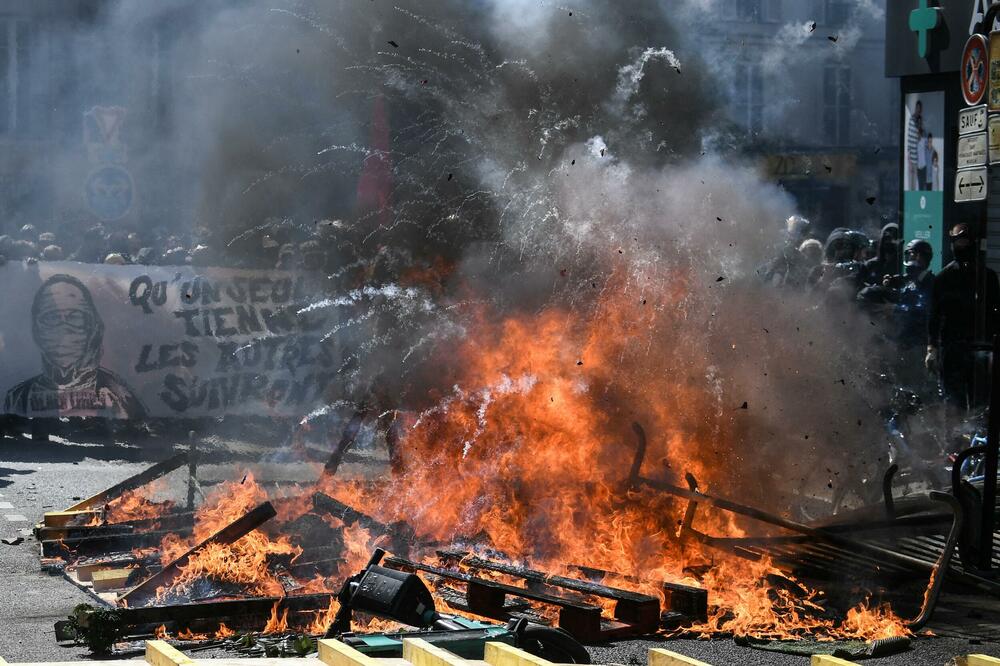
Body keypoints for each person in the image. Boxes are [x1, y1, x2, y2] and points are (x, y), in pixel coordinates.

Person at [3, 274, 146, 418]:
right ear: (37, 329)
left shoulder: (117, 393)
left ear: (92, 326)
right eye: (52, 317)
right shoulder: (18, 398)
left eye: (75, 316)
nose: (64, 328)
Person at [927, 223, 1000, 411]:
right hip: (953, 347)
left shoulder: (987, 277)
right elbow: (934, 315)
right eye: (959, 242)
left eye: (965, 241)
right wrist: (932, 348)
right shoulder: (943, 278)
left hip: (981, 347)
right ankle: (955, 438)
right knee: (953, 403)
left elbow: (995, 311)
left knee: (981, 402)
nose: (962, 246)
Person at [861, 223, 900, 287]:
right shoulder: (870, 265)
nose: (888, 242)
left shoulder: (900, 266)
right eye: (886, 238)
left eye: (892, 238)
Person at [908, 100, 922, 190]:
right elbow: (909, 137)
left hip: (917, 157)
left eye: (919, 109)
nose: (918, 110)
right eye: (917, 108)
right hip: (911, 155)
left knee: (915, 180)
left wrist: (920, 126)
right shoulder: (911, 119)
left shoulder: (919, 121)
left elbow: (919, 138)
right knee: (910, 180)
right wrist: (908, 158)